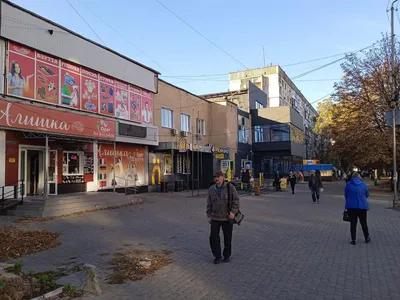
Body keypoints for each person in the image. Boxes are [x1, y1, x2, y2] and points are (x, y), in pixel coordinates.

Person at [206, 171, 240, 264]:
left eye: (218, 177)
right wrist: (208, 215)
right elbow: (209, 204)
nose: (216, 179)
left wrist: (233, 212)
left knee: (227, 238)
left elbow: (236, 200)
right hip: (215, 218)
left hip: (227, 217)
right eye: (215, 177)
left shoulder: (230, 188)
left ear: (222, 177)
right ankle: (217, 256)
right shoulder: (211, 189)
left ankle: (226, 256)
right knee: (213, 237)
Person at [345, 172, 370, 245]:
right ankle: (367, 237)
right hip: (362, 206)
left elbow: (346, 195)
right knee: (363, 222)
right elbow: (367, 194)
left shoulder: (348, 185)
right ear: (359, 177)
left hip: (351, 207)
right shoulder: (363, 185)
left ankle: (353, 239)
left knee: (353, 223)